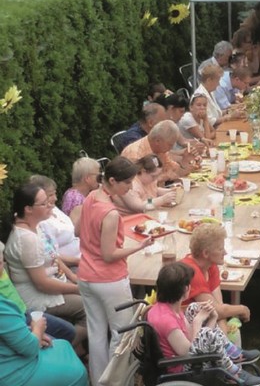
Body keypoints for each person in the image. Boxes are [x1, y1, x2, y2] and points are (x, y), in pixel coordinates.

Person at [77, 157, 155, 384]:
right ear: (112, 180)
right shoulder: (110, 212)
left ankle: (99, 380)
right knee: (122, 334)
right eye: (127, 183)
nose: (130, 187)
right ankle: (118, 381)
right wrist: (138, 247)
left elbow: (82, 232)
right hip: (108, 279)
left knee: (97, 332)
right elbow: (109, 254)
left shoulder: (91, 197)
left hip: (86, 276)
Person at [147, 262, 260, 385]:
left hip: (186, 356)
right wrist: (198, 322)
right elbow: (187, 352)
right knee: (205, 333)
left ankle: (231, 352)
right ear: (186, 289)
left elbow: (190, 335)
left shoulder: (169, 307)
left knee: (193, 308)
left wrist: (211, 319)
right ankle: (231, 372)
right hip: (181, 368)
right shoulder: (167, 321)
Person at [4, 183, 88, 356]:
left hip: (55, 283)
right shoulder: (27, 239)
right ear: (28, 209)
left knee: (89, 289)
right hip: (37, 297)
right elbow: (42, 284)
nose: (50, 205)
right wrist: (78, 288)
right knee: (90, 307)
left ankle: (75, 349)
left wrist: (73, 277)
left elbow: (53, 255)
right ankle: (64, 349)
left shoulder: (36, 225)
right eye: (43, 203)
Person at [180, 224, 255, 337]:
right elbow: (218, 310)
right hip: (183, 327)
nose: (225, 252)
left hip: (202, 320)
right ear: (206, 253)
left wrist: (224, 343)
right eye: (220, 249)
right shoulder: (191, 272)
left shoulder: (211, 265)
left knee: (232, 336)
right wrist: (242, 309)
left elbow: (219, 309)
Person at [0, 294, 88, 386]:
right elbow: (30, 349)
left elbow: (9, 332)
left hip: (11, 360)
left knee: (62, 344)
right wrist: (37, 329)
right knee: (77, 372)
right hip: (14, 375)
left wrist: (32, 334)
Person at [0, 242, 76, 343]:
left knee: (68, 331)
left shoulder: (3, 270)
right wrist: (37, 333)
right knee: (52, 343)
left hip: (23, 312)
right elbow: (27, 346)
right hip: (13, 320)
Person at [30, 175, 82, 268]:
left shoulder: (54, 209)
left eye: (55, 193)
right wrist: (80, 261)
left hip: (82, 256)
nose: (55, 198)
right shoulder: (41, 221)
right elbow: (53, 255)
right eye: (50, 195)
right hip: (70, 265)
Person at [122, 120, 198, 183]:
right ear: (158, 141)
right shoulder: (136, 152)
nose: (171, 148)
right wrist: (162, 177)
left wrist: (187, 161)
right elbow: (135, 184)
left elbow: (176, 172)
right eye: (170, 145)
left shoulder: (161, 151)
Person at [112, 154, 177, 215]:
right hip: (130, 217)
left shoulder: (149, 181)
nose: (156, 179)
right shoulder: (132, 184)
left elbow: (154, 190)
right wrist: (162, 200)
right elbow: (139, 206)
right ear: (143, 171)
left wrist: (170, 191)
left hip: (147, 213)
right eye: (153, 176)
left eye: (157, 176)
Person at [61, 157, 101, 224]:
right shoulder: (76, 198)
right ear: (88, 178)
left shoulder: (72, 193)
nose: (99, 180)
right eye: (98, 176)